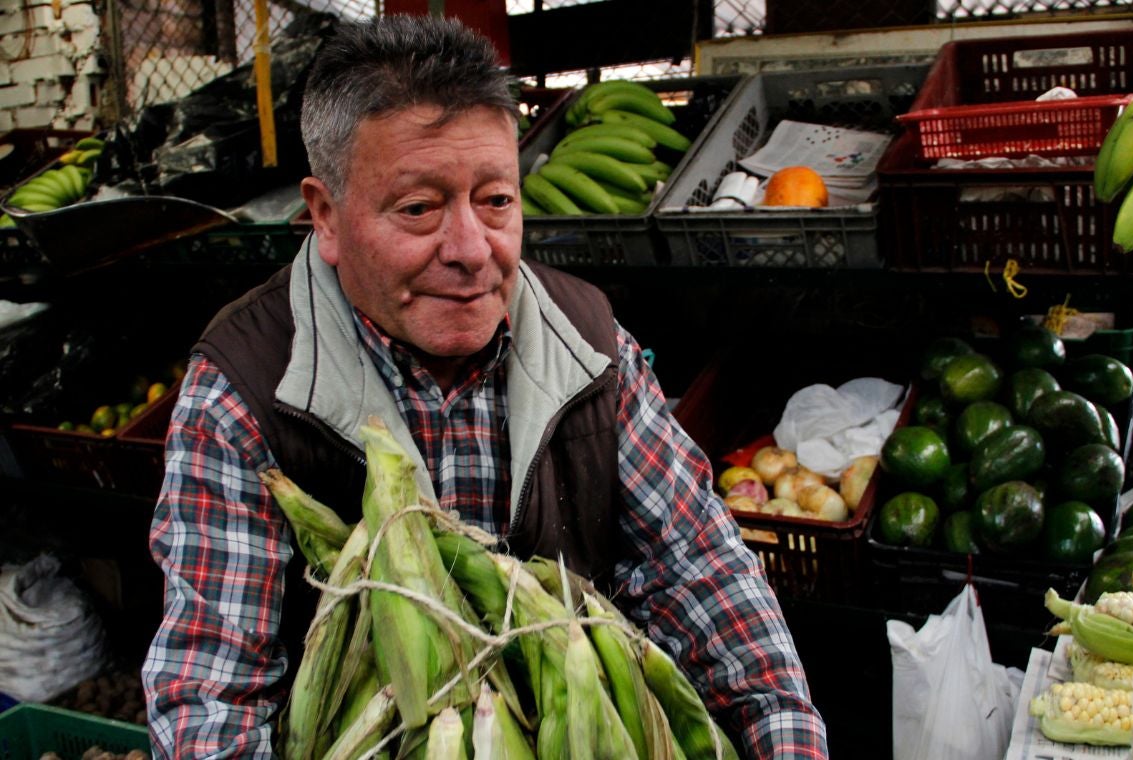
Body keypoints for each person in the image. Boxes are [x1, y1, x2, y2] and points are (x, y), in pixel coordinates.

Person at [142, 15, 828, 759]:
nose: (472, 251)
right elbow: (212, 698)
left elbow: (701, 572)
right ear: (325, 216)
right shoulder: (245, 387)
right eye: (419, 208)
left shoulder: (589, 346)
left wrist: (784, 739)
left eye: (497, 200)